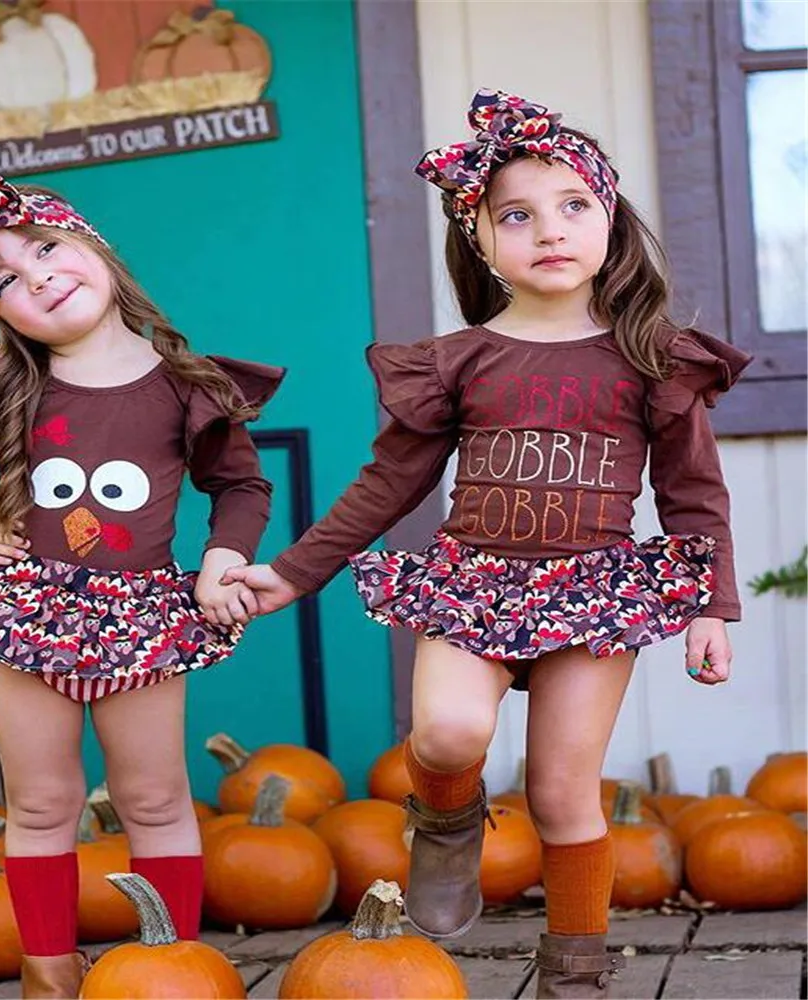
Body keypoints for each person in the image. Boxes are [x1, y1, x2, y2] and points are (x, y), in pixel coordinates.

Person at [222, 89, 750, 999]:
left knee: (561, 792)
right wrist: (294, 571)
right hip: (472, 583)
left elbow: (694, 494)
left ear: (610, 219)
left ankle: (574, 971)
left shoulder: (652, 357)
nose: (550, 230)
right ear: (478, 239)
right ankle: (446, 823)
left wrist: (712, 604)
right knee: (448, 732)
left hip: (594, 595)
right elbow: (388, 482)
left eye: (574, 204)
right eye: (517, 215)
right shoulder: (457, 362)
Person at [0, 172, 283, 998]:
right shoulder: (0, 382)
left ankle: (171, 968)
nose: (39, 277)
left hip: (140, 619)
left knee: (154, 797)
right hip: (26, 617)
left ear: (93, 245)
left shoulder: (186, 384)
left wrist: (223, 557)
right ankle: (48, 974)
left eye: (46, 249)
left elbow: (240, 485)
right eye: (8, 279)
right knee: (42, 802)